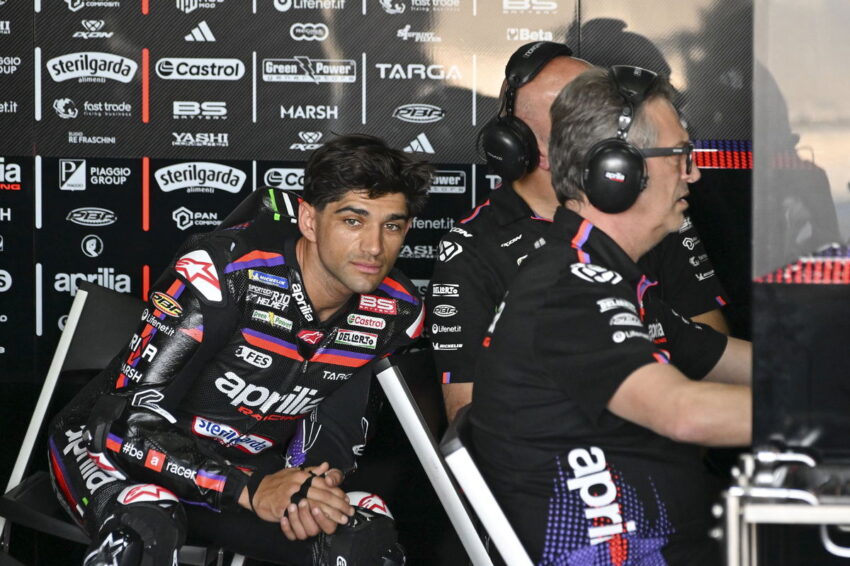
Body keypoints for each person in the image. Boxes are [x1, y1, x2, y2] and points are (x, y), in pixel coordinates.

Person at [47, 134, 432, 566]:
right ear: (309, 220)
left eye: (391, 226)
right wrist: (249, 489)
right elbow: (122, 425)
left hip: (244, 470)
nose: (374, 247)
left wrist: (311, 484)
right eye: (353, 221)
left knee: (363, 542)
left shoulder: (396, 312)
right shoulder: (222, 272)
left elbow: (337, 429)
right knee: (144, 533)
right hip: (113, 450)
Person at [469, 65, 752, 565]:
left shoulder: (604, 278)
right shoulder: (568, 291)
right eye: (679, 156)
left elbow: (736, 362)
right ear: (616, 173)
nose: (693, 174)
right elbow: (684, 413)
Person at [427, 42, 729, 422]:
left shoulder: (652, 215)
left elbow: (710, 355)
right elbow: (471, 420)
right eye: (586, 117)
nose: (619, 132)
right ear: (531, 149)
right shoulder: (479, 254)